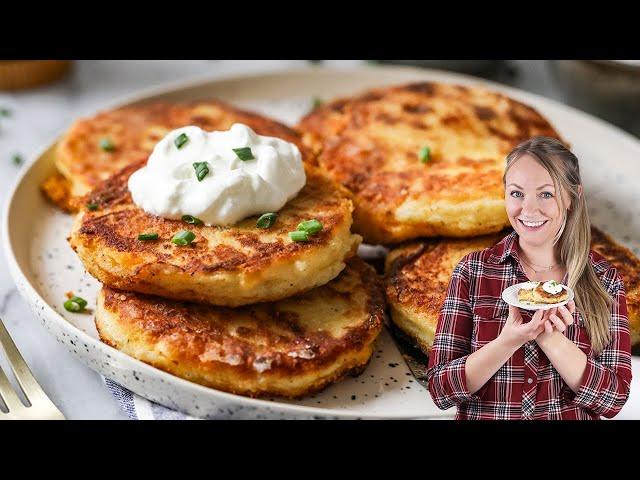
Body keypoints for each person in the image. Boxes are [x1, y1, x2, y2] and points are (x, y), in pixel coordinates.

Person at [426, 136, 632, 420]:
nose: (529, 209)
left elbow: (614, 400)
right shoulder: (472, 272)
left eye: (546, 194)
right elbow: (440, 390)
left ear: (572, 197)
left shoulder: (604, 279)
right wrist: (508, 341)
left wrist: (553, 341)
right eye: (517, 193)